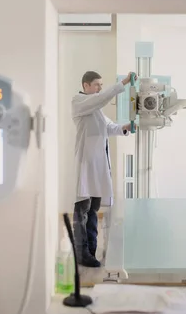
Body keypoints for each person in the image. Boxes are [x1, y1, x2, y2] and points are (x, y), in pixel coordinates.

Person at [71, 70, 136, 267]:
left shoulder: (96, 110)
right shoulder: (79, 102)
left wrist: (129, 126)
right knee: (82, 210)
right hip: (86, 165)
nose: (100, 88)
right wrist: (123, 83)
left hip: (98, 167)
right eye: (97, 84)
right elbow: (101, 99)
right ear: (86, 86)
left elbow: (111, 128)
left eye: (101, 84)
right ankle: (81, 253)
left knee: (94, 210)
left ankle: (91, 250)